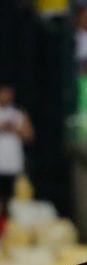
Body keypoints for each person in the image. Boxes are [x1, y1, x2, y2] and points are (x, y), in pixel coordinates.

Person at [0, 84, 34, 224]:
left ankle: (6, 228)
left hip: (11, 164)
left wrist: (15, 128)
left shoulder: (18, 113)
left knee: (9, 199)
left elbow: (29, 136)